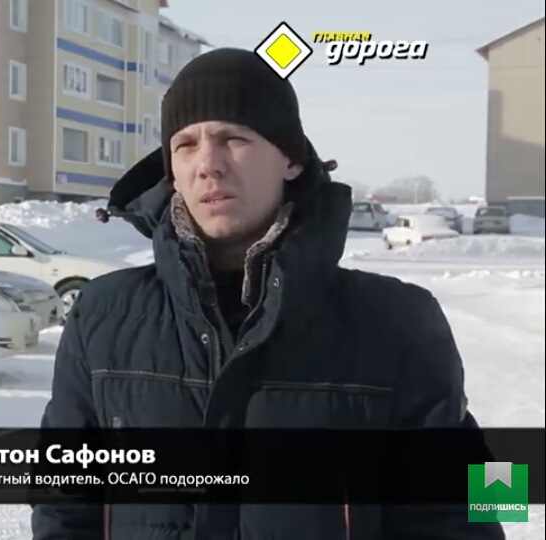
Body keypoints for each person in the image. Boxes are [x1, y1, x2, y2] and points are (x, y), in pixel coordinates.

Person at [31, 47, 505, 540]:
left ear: (291, 159)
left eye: (234, 138)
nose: (208, 164)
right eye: (186, 145)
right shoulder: (102, 315)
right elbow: (61, 503)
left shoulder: (399, 321)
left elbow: (471, 509)